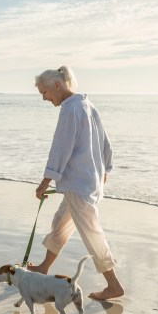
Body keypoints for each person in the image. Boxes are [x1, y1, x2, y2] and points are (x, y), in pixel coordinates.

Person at [28, 66, 124, 301]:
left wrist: (44, 182)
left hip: (79, 183)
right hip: (86, 180)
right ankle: (44, 267)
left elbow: (60, 149)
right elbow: (105, 142)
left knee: (92, 233)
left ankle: (113, 285)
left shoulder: (70, 110)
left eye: (45, 92)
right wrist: (105, 168)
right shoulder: (87, 105)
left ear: (57, 86)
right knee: (60, 223)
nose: (44, 98)